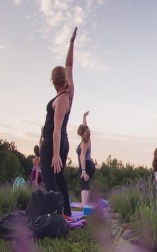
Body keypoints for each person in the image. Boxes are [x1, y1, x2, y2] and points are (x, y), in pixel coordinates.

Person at [40, 27, 77, 217]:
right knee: (59, 178)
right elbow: (69, 66)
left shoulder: (62, 98)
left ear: (53, 81)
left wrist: (54, 154)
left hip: (54, 142)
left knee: (49, 178)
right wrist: (71, 44)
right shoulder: (69, 92)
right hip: (64, 141)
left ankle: (57, 215)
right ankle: (66, 213)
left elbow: (55, 128)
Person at [76, 111, 95, 208]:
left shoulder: (84, 143)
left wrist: (83, 171)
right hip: (91, 164)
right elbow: (85, 126)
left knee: (83, 182)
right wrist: (84, 117)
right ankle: (86, 203)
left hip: (86, 164)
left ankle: (84, 204)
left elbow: (82, 157)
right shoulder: (88, 139)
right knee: (86, 183)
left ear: (80, 133)